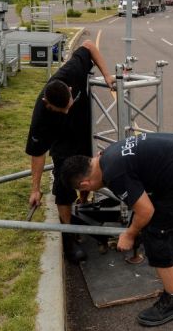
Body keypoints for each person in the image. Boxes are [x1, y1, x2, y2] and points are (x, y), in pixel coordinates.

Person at [60, 133, 173, 326]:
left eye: (85, 190)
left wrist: (130, 234)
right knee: (169, 208)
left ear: (85, 184)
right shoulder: (106, 156)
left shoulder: (113, 174)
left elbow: (145, 211)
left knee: (156, 231)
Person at [26, 40, 114, 263]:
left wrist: (107, 76)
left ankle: (83, 206)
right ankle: (69, 236)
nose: (66, 110)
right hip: (62, 142)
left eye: (68, 104)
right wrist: (35, 189)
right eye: (61, 110)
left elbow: (89, 46)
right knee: (65, 182)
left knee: (89, 172)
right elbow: (37, 152)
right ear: (48, 103)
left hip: (82, 131)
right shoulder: (41, 116)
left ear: (70, 90)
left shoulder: (72, 71)